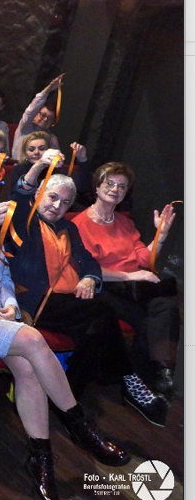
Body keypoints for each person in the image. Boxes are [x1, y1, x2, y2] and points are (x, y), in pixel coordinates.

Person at [0, 164, 128, 500]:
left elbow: (3, 274)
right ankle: (80, 426)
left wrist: (10, 304)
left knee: (29, 370)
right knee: (34, 340)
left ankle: (41, 459)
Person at [4, 171, 169, 426]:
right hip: (34, 302)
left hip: (68, 300)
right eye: (52, 197)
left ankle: (67, 397)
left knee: (97, 331)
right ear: (38, 194)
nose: (57, 206)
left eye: (65, 203)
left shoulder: (68, 227)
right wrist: (39, 168)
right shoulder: (24, 222)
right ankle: (127, 382)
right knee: (103, 311)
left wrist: (90, 278)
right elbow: (19, 195)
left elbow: (88, 262)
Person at [70, 163, 181, 396]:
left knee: (166, 307)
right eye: (110, 183)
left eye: (122, 186)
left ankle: (161, 372)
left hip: (133, 286)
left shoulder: (124, 222)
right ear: (97, 187)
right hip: (105, 286)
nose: (115, 189)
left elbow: (143, 258)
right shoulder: (79, 224)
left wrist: (161, 235)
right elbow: (86, 269)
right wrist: (129, 275)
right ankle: (138, 380)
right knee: (145, 320)